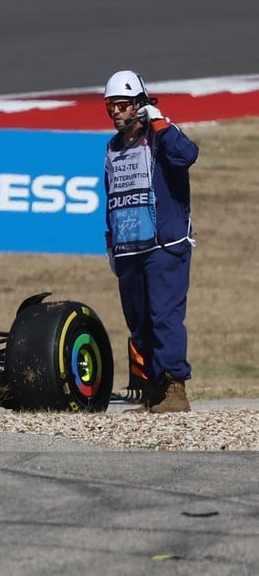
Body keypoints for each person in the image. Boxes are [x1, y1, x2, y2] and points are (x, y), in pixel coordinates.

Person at [103, 70, 199, 413]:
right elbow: (111, 195)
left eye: (122, 104)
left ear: (139, 105)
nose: (115, 111)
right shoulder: (112, 147)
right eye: (110, 106)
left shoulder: (162, 137)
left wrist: (158, 122)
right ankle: (151, 391)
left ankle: (175, 390)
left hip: (164, 245)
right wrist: (111, 243)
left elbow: (187, 155)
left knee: (164, 316)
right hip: (129, 247)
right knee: (139, 321)